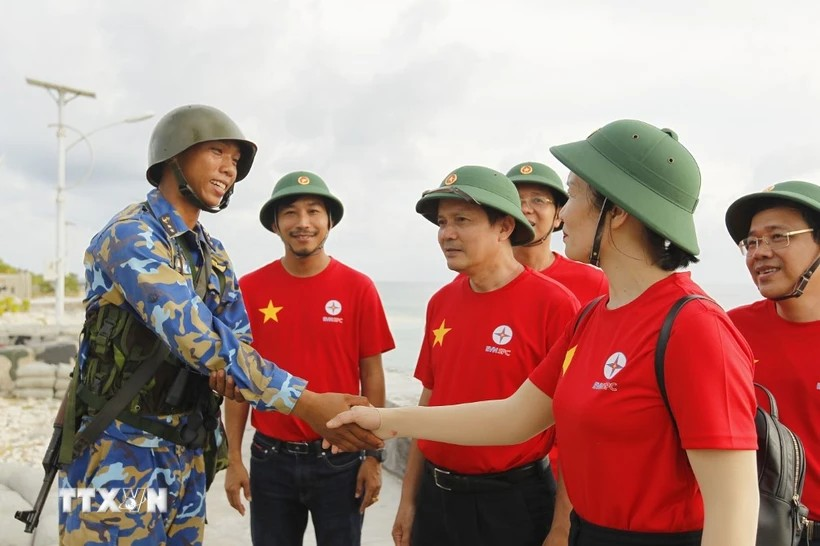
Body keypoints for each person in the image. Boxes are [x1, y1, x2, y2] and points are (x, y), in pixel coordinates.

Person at [329, 120, 761, 546]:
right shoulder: (592, 317)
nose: (562, 214)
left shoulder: (695, 328)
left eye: (572, 195)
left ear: (619, 210)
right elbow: (513, 418)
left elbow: (734, 513)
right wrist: (386, 419)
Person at [57, 105, 380, 546]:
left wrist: (235, 379)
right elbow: (196, 336)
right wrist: (305, 403)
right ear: (174, 158)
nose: (229, 168)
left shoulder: (213, 253)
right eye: (217, 152)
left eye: (235, 160)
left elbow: (238, 344)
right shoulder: (131, 235)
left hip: (184, 455)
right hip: (118, 452)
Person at [392, 165, 580, 546]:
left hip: (513, 502)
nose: (447, 234)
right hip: (436, 496)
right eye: (442, 222)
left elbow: (575, 425)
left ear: (504, 227)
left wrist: (562, 527)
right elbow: (429, 402)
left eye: (462, 220)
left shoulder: (555, 304)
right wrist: (408, 500)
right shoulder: (441, 302)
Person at [223, 171, 395, 546]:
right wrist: (233, 459)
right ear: (275, 224)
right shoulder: (248, 289)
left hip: (340, 458)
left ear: (329, 221)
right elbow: (238, 385)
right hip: (270, 458)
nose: (303, 223)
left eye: (314, 211)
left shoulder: (358, 287)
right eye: (290, 213)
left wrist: (372, 457)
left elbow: (373, 376)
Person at [724, 180, 820, 545]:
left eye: (779, 237)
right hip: (754, 532)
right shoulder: (729, 330)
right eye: (751, 242)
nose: (758, 253)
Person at [507, 161, 608, 304]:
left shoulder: (594, 283)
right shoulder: (476, 282)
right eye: (516, 200)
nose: (525, 209)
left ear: (558, 215)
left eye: (538, 200)